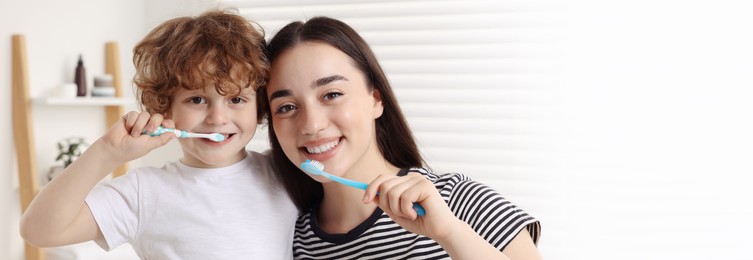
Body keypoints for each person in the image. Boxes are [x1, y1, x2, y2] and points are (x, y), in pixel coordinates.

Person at [20, 9, 298, 259]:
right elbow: (40, 230)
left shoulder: (284, 172)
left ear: (259, 106)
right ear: (165, 107)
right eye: (197, 100)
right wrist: (106, 153)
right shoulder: (144, 192)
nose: (217, 118)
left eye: (236, 100)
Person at [261, 16, 542, 259]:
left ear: (376, 99)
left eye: (332, 94)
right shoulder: (292, 243)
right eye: (286, 107)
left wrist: (448, 233)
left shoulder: (458, 201)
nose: (311, 124)